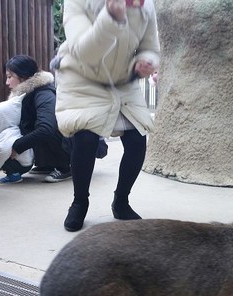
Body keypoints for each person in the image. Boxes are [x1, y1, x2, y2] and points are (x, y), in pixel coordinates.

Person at [54, 0, 160, 232]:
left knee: (136, 139)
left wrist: (147, 61)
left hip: (123, 77)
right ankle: (79, 202)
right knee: (85, 137)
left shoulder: (146, 5)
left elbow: (150, 45)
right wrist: (110, 17)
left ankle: (121, 201)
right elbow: (83, 50)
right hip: (82, 75)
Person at [0, 55, 71, 184]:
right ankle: (47, 164)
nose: (7, 82)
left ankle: (65, 166)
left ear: (24, 76)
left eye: (10, 77)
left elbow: (47, 129)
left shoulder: (44, 94)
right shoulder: (26, 94)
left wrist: (16, 147)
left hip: (70, 143)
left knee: (45, 126)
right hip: (59, 139)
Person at [0, 93, 34, 182]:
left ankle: (14, 175)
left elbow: (3, 150)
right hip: (28, 161)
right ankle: (16, 172)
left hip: (21, 164)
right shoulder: (17, 128)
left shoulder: (7, 133)